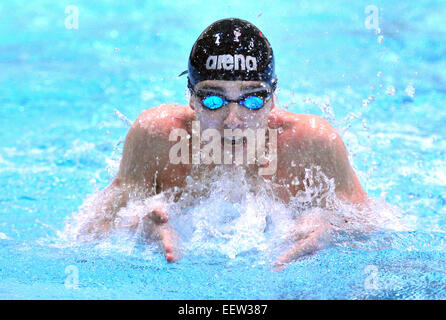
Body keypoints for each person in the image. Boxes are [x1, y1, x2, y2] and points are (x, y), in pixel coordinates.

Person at [83, 18, 369, 266]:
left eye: (253, 99)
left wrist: (333, 228)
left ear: (273, 100)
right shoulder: (155, 138)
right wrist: (136, 226)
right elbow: (88, 230)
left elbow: (379, 226)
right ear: (192, 99)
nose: (233, 119)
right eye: (213, 99)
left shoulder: (314, 144)